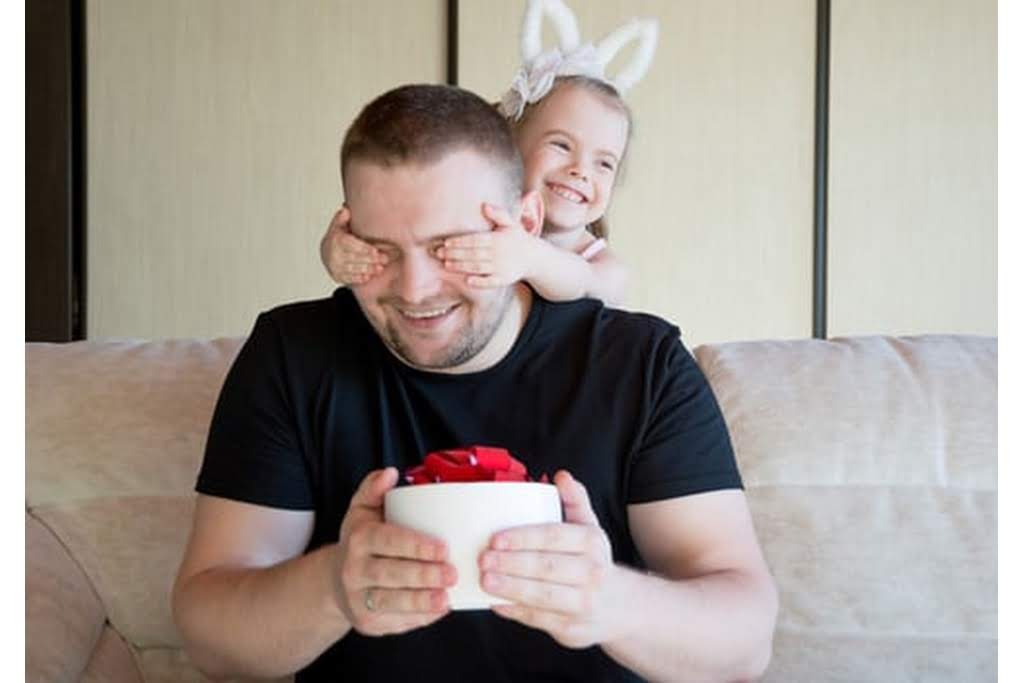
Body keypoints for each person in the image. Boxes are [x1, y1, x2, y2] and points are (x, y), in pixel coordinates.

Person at [172, 83, 778, 682]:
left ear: (525, 221)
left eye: (449, 248)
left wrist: (611, 603)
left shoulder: (642, 365)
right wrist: (333, 588)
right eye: (380, 250)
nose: (414, 291)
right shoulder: (293, 355)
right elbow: (210, 638)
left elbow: (745, 642)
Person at [318, 3, 656, 307]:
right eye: (561, 145)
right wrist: (339, 250)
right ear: (507, 146)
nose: (581, 171)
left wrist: (530, 259)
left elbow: (591, 286)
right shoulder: (476, 217)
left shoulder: (601, 264)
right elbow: (405, 239)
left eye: (604, 163)